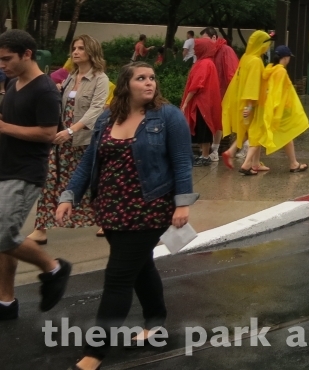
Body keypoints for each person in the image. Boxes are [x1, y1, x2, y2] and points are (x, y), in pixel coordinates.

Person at [57, 62, 196, 367]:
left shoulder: (167, 116)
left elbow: (183, 161)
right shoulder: (108, 118)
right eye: (141, 78)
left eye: (152, 78)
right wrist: (69, 196)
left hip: (149, 207)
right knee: (141, 266)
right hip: (111, 209)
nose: (149, 83)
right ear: (125, 85)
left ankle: (95, 352)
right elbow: (89, 162)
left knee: (118, 277)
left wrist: (183, 203)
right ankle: (156, 321)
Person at [0, 30, 72, 321]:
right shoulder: (13, 81)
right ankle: (5, 301)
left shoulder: (45, 90)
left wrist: (3, 128)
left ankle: (54, 268)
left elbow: (47, 133)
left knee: (3, 235)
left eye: (7, 59)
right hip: (5, 167)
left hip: (24, 172)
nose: (2, 65)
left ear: (27, 54)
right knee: (5, 238)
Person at [29, 35, 110, 244]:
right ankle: (41, 228)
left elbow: (96, 110)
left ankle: (106, 220)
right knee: (50, 181)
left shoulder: (100, 78)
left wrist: (71, 131)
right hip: (61, 138)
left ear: (91, 51)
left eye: (81, 48)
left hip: (83, 139)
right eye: (74, 48)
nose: (75, 52)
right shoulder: (69, 76)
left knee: (94, 182)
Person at [244, 46, 309, 174]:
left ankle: (293, 163)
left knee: (270, 135)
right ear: (285, 58)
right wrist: (275, 111)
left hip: (265, 107)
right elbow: (277, 92)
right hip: (278, 109)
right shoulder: (281, 72)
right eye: (289, 57)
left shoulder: (269, 70)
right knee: (280, 134)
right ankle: (247, 164)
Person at [221, 30, 272, 170]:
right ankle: (232, 153)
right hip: (252, 103)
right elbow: (252, 84)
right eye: (267, 43)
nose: (269, 46)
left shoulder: (246, 57)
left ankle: (254, 162)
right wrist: (249, 106)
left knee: (249, 132)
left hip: (242, 100)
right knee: (256, 131)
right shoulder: (256, 61)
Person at [180, 37, 223, 166]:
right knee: (203, 128)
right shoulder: (207, 62)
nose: (195, 49)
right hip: (205, 102)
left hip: (201, 103)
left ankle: (205, 156)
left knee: (204, 129)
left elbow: (197, 84)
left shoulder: (204, 63)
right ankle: (203, 155)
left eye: (197, 46)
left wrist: (186, 102)